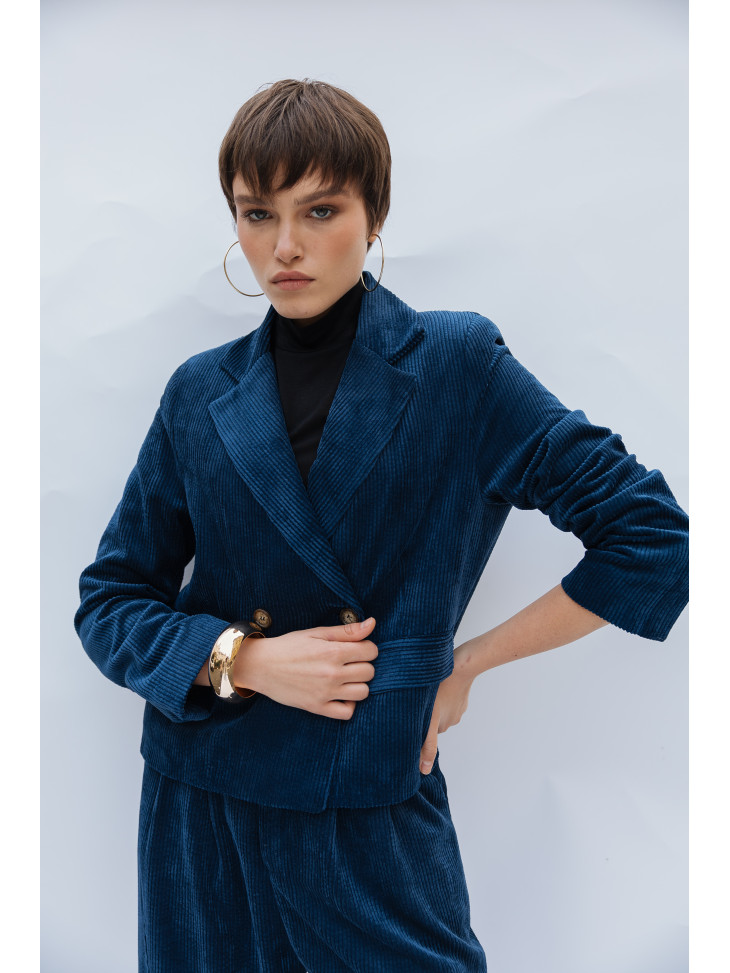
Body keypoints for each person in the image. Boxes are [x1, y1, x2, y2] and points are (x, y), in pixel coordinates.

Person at [75, 78, 689, 973]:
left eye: (319, 210)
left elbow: (653, 538)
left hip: (368, 810)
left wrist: (464, 663)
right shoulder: (199, 391)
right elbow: (110, 599)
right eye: (257, 214)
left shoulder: (456, 364)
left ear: (375, 215)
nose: (285, 246)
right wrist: (245, 660)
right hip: (203, 809)